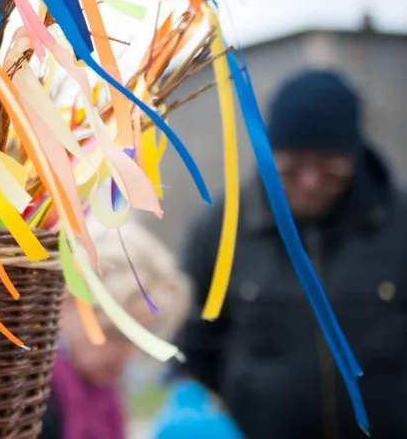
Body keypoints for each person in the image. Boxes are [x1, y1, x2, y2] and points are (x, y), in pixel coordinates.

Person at [172, 69, 407, 438]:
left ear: (354, 154)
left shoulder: (400, 224)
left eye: (327, 161)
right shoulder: (223, 228)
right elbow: (193, 341)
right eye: (294, 162)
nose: (310, 179)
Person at [39, 220, 190, 439]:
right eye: (115, 334)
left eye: (140, 339)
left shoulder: (105, 401)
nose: (129, 354)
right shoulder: (33, 400)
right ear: (67, 301)